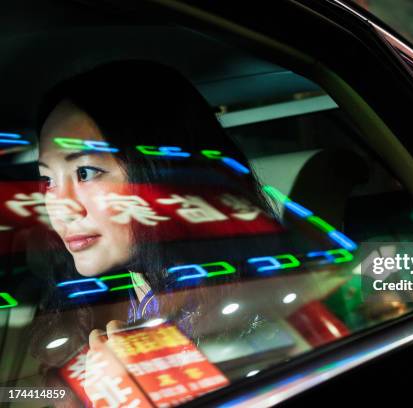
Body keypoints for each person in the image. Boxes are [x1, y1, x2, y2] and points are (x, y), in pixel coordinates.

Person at [30, 60, 270, 366]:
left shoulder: (256, 305)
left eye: (86, 172)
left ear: (165, 175)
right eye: (48, 180)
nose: (61, 207)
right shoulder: (91, 302)